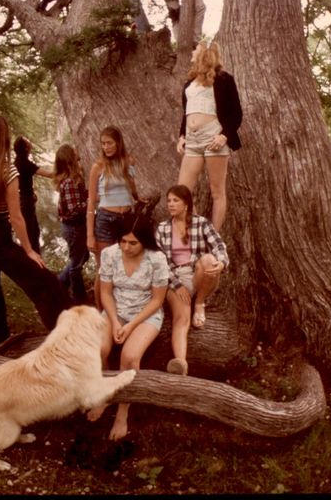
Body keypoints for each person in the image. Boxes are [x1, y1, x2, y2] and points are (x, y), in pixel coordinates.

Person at [0, 115, 69, 347]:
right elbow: (16, 216)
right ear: (4, 139)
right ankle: (63, 337)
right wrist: (29, 250)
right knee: (44, 282)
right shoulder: (8, 171)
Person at [87, 213, 169, 440]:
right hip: (115, 310)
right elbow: (105, 292)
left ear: (144, 241)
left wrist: (131, 325)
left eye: (133, 243)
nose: (126, 247)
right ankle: (105, 395)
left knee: (130, 357)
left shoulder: (157, 259)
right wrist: (114, 321)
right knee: (99, 350)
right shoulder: (110, 254)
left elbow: (157, 300)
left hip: (145, 315)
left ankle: (123, 410)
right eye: (122, 241)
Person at [156, 184, 229, 376]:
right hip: (174, 278)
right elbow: (160, 262)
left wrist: (222, 263)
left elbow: (219, 246)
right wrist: (177, 285)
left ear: (186, 204)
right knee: (182, 319)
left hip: (198, 275)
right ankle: (181, 364)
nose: (171, 205)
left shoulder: (201, 223)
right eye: (169, 201)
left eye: (175, 201)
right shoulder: (163, 228)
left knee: (209, 260)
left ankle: (200, 302)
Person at [177, 40, 242, 231]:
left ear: (204, 53)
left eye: (194, 49)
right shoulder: (190, 82)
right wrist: (182, 135)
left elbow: (236, 113)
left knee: (217, 191)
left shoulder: (223, 79)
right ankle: (199, 230)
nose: (191, 53)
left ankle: (214, 234)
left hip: (213, 136)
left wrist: (225, 136)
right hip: (192, 139)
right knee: (183, 191)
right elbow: (186, 112)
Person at [87, 126, 139, 309]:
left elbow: (132, 188)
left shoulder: (128, 162)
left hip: (126, 218)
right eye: (103, 144)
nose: (106, 147)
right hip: (106, 220)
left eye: (109, 143)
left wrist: (139, 199)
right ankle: (102, 312)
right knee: (104, 270)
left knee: (126, 264)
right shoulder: (98, 167)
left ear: (118, 143)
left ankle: (122, 308)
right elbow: (91, 203)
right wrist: (90, 236)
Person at [53, 143, 90, 305]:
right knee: (76, 265)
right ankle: (79, 298)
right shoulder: (69, 182)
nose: (78, 156)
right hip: (74, 227)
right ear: (70, 159)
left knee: (83, 256)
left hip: (74, 226)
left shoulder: (71, 180)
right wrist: (91, 201)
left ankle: (60, 282)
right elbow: (75, 209)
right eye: (75, 154)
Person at [13, 136, 52, 253]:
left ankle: (33, 257)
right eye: (28, 143)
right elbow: (49, 174)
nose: (31, 144)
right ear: (25, 148)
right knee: (32, 232)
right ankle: (34, 260)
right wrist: (67, 170)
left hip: (23, 199)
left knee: (31, 230)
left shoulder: (17, 162)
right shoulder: (25, 163)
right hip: (26, 201)